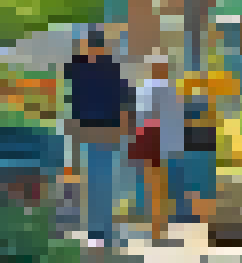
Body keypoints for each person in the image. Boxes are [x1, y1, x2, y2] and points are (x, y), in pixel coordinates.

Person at [61, 30, 134, 249]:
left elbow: (123, 99)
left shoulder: (104, 69)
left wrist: (125, 126)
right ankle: (99, 231)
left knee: (102, 181)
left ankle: (103, 231)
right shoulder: (86, 69)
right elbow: (124, 98)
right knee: (97, 181)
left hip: (103, 130)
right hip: (93, 130)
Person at [130, 52, 179, 243]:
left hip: (150, 143)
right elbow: (172, 120)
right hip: (160, 144)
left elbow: (141, 118)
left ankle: (156, 230)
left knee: (152, 187)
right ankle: (158, 231)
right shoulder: (166, 89)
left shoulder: (145, 88)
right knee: (160, 188)